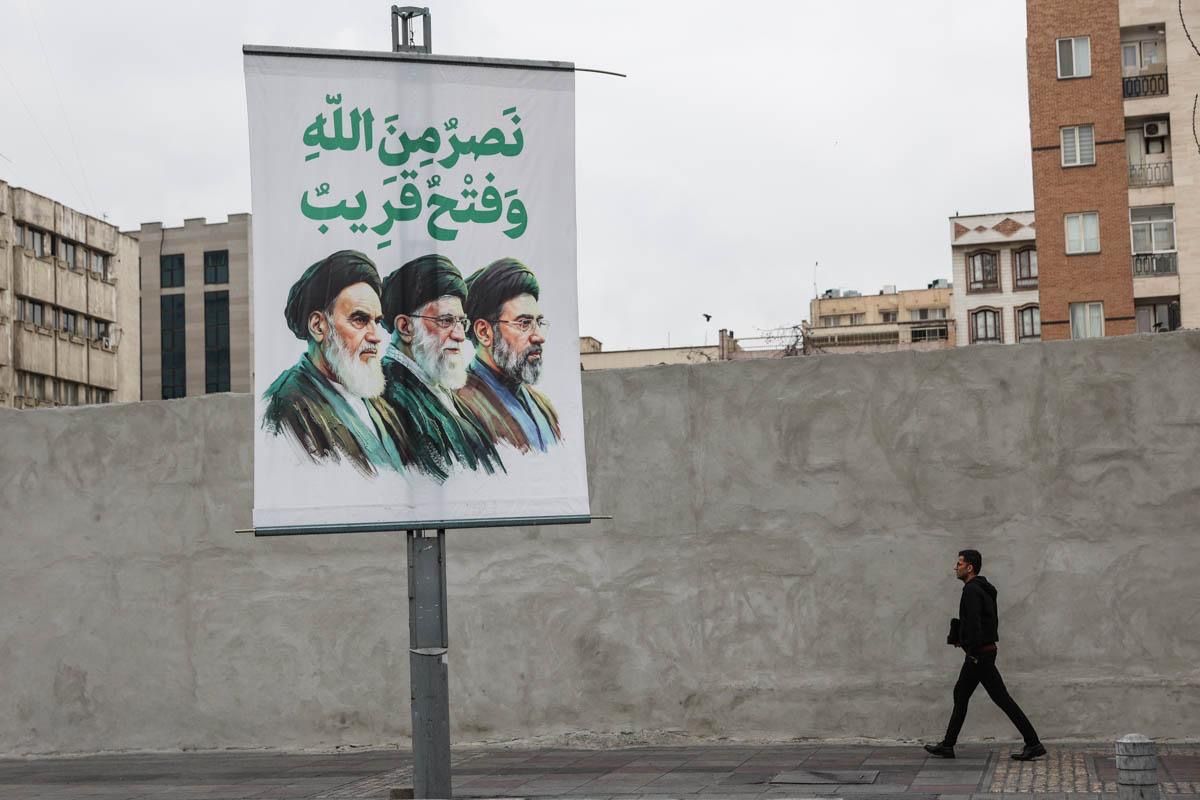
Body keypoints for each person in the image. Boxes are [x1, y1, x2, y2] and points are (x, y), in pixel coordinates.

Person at [262, 250, 412, 476]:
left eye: (377, 322)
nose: (375, 336)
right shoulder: (286, 407)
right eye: (360, 320)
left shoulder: (377, 402)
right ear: (319, 326)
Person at [378, 254, 503, 481]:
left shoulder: (436, 384)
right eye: (445, 321)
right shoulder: (390, 395)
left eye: (461, 322)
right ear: (406, 327)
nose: (459, 335)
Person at [925, 549, 1046, 761]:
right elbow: (983, 621)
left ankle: (1033, 743)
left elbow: (974, 624)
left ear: (969, 567)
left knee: (999, 699)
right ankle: (948, 745)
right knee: (963, 694)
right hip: (984, 652)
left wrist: (969, 649)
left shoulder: (971, 590)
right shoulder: (983, 589)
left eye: (959, 563)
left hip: (979, 655)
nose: (956, 567)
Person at [458, 257, 561, 453]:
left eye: (539, 323)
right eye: (524, 323)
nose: (538, 337)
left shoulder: (544, 406)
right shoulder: (461, 410)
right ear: (484, 332)